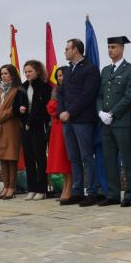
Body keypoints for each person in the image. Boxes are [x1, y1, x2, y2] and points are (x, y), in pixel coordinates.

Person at [96, 36, 131, 207]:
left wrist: (112, 113)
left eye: (113, 47)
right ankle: (113, 194)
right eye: (108, 47)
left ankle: (130, 194)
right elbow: (100, 95)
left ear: (122, 49)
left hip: (122, 122)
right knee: (109, 159)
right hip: (106, 123)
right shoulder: (106, 70)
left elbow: (129, 96)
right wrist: (100, 112)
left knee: (128, 158)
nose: (110, 50)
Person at [57, 39, 101, 206]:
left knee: (86, 156)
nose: (65, 51)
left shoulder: (90, 69)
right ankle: (77, 191)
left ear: (75, 50)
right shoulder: (68, 70)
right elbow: (61, 92)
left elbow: (88, 94)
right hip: (67, 120)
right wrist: (61, 111)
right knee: (73, 157)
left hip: (82, 119)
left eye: (67, 48)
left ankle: (92, 192)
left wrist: (70, 112)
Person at [0, 64, 24, 200]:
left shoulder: (17, 90)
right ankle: (5, 187)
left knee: (11, 158)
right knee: (2, 158)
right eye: (2, 74)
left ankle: (12, 187)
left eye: (6, 73)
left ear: (12, 75)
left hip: (11, 127)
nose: (3, 76)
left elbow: (12, 109)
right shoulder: (0, 90)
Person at [18, 60, 52, 201]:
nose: (27, 74)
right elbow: (17, 106)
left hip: (38, 126)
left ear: (37, 71)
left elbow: (43, 109)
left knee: (40, 157)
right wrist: (20, 110)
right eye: (25, 71)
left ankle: (41, 189)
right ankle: (31, 188)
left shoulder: (44, 87)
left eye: (30, 71)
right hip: (25, 126)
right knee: (29, 158)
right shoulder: (23, 87)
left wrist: (31, 122)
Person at [46, 67, 72, 202]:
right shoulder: (56, 89)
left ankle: (70, 188)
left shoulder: (70, 89)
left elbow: (57, 107)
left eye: (62, 75)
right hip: (56, 128)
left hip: (65, 125)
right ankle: (65, 187)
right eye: (58, 76)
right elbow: (51, 108)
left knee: (67, 157)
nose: (60, 78)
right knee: (59, 158)